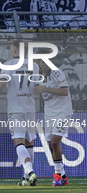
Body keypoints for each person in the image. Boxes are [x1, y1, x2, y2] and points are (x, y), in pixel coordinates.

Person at [0, 40, 39, 186]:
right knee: (29, 142)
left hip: (16, 109)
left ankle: (30, 172)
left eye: (11, 50)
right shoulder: (34, 65)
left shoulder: (8, 65)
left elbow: (2, 83)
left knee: (18, 141)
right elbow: (37, 87)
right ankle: (26, 178)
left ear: (14, 51)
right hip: (30, 108)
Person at [33, 48, 73, 186]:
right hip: (49, 113)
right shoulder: (37, 76)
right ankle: (62, 175)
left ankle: (57, 175)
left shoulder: (56, 72)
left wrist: (45, 89)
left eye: (46, 60)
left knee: (55, 141)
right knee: (51, 144)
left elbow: (65, 91)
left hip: (63, 111)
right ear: (37, 62)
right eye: (41, 60)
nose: (44, 63)